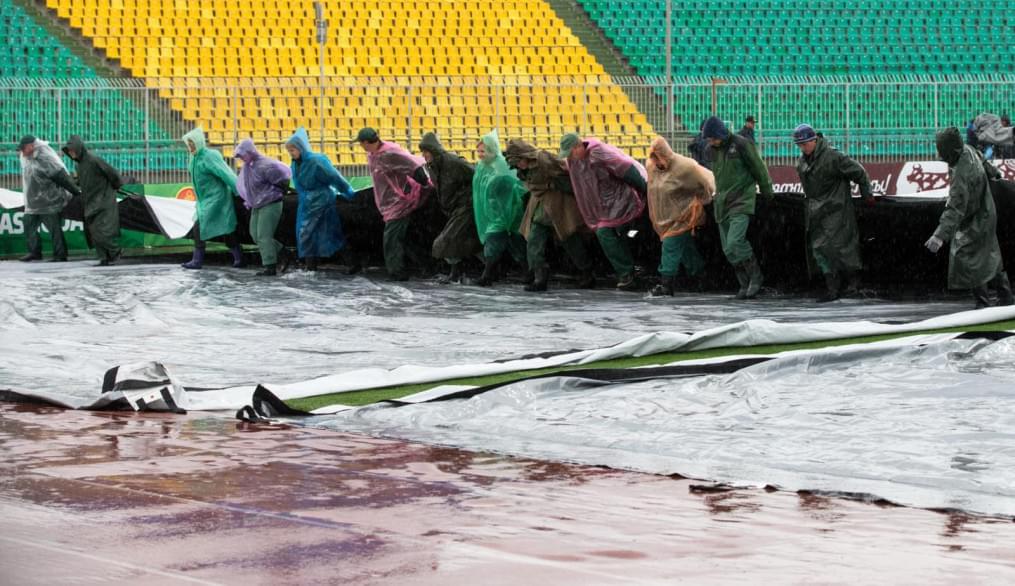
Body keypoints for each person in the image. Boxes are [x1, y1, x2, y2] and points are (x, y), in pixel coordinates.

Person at [925, 127, 1013, 309]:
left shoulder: (960, 175)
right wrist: (993, 172)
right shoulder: (968, 150)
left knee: (967, 257)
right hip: (987, 211)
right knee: (990, 255)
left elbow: (955, 208)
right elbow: (983, 158)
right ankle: (1006, 297)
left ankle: (982, 303)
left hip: (974, 219)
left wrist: (939, 235)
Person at [793, 124, 875, 302]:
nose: (802, 148)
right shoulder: (802, 163)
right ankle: (832, 286)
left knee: (840, 247)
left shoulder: (833, 156)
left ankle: (852, 284)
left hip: (837, 209)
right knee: (819, 249)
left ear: (814, 140)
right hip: (816, 210)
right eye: (800, 145)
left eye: (805, 144)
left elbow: (859, 172)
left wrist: (866, 193)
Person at [560, 132, 647, 291]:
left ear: (578, 146)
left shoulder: (599, 153)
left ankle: (628, 272)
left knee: (621, 233)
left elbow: (625, 168)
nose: (570, 157)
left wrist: (645, 189)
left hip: (621, 201)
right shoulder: (575, 161)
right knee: (610, 235)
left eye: (571, 152)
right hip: (604, 209)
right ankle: (627, 272)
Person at [505, 139, 594, 292]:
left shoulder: (543, 159)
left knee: (569, 238)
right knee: (534, 241)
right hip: (540, 206)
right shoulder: (524, 168)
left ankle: (587, 272)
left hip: (558, 204)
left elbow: (566, 172)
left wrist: (553, 185)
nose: (519, 165)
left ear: (526, 156)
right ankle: (540, 277)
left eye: (519, 161)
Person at [702, 116, 774, 299]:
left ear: (720, 133)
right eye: (708, 139)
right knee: (728, 249)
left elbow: (759, 168)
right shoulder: (710, 150)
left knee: (735, 242)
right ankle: (743, 283)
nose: (710, 141)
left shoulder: (741, 144)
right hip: (722, 203)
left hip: (741, 200)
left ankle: (756, 277)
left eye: (712, 137)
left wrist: (767, 193)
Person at [356, 128, 432, 281]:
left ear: (366, 142)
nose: (360, 146)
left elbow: (413, 165)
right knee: (400, 238)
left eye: (361, 143)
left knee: (391, 239)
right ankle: (422, 266)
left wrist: (424, 184)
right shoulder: (373, 153)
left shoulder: (389, 153)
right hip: (389, 203)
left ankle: (397, 272)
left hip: (399, 202)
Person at [645, 136, 714, 296]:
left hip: (684, 214)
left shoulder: (686, 167)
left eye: (659, 158)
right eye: (653, 158)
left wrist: (702, 202)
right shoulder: (651, 167)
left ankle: (666, 284)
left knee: (670, 245)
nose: (657, 162)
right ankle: (701, 276)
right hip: (664, 217)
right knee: (684, 248)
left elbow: (706, 184)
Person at [286, 127, 355, 271]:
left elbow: (334, 177)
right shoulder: (295, 163)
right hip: (307, 202)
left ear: (301, 148)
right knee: (307, 234)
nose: (291, 154)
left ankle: (352, 263)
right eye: (289, 151)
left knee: (328, 233)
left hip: (322, 201)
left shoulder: (316, 161)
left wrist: (348, 192)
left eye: (293, 150)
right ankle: (311, 266)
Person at [418, 132, 481, 283]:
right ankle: (461, 273)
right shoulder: (434, 166)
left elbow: (476, 176)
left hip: (465, 207)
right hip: (454, 209)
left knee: (445, 241)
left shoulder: (453, 162)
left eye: (426, 152)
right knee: (467, 242)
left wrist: (470, 198)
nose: (424, 155)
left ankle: (482, 272)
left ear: (433, 151)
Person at [180, 127, 243, 270]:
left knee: (206, 227)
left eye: (192, 144)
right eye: (188, 144)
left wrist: (240, 192)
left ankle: (198, 260)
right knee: (224, 229)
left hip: (217, 199)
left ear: (199, 142)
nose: (190, 147)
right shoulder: (194, 158)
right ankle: (239, 257)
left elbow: (227, 174)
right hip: (204, 200)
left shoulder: (210, 156)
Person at [473, 130, 526, 286]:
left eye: (483, 151)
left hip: (509, 212)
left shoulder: (502, 165)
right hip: (494, 213)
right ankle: (491, 274)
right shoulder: (482, 166)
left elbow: (515, 186)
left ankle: (488, 275)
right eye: (478, 151)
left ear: (491, 150)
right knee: (504, 243)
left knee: (508, 243)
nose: (480, 154)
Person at [17, 135, 80, 262]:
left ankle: (60, 254)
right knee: (29, 225)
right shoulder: (27, 157)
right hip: (32, 202)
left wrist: (76, 192)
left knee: (54, 229)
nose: (21, 151)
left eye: (23, 148)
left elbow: (61, 176)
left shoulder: (46, 157)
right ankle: (34, 252)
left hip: (49, 202)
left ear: (31, 146)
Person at [61, 136, 122, 266]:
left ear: (79, 149)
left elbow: (113, 174)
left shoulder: (94, 160)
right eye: (69, 151)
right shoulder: (79, 166)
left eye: (72, 150)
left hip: (104, 200)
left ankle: (115, 253)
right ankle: (104, 257)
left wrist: (116, 186)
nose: (71, 153)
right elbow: (81, 182)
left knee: (104, 231)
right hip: (90, 203)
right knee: (93, 232)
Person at [235, 138, 292, 276]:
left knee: (264, 235)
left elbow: (282, 181)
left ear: (250, 152)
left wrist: (277, 192)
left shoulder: (266, 165)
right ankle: (283, 251)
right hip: (257, 204)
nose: (242, 158)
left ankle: (270, 266)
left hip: (271, 203)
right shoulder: (249, 166)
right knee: (255, 235)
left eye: (243, 155)